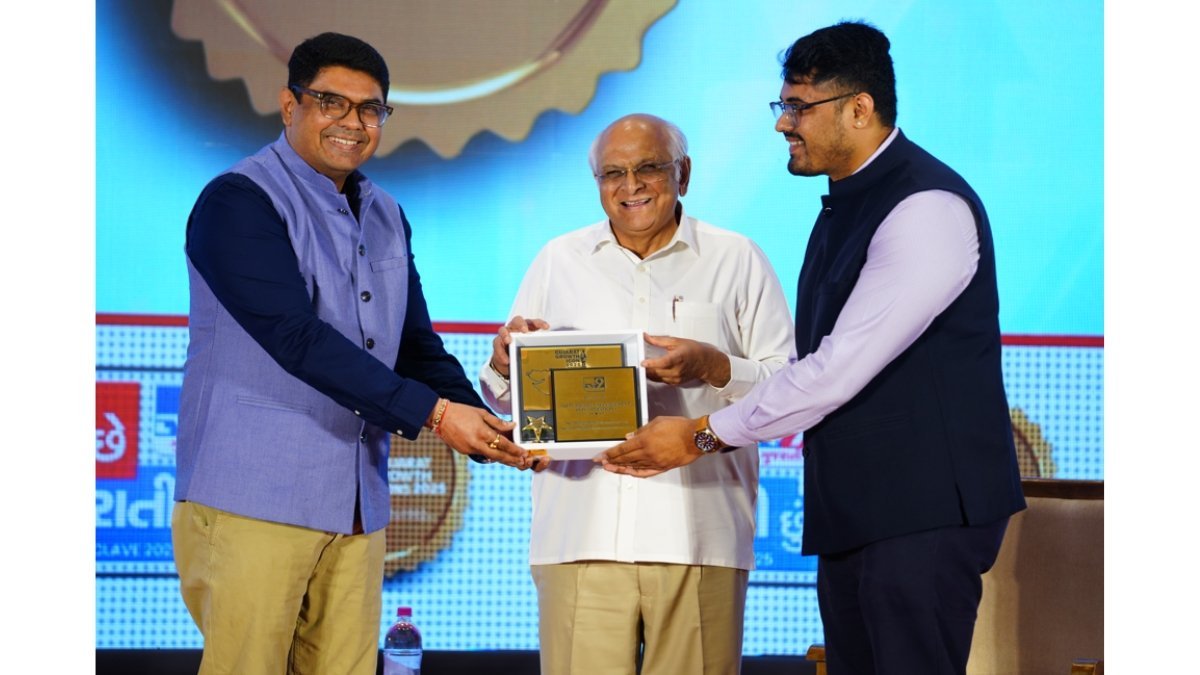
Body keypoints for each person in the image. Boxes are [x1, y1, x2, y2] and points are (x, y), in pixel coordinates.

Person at [601, 22, 1027, 675]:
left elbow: (834, 372)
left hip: (923, 514)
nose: (783, 124)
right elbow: (814, 368)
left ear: (859, 109)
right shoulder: (845, 206)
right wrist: (718, 372)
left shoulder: (926, 207)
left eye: (799, 107)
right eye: (783, 105)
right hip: (860, 513)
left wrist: (700, 435)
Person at [172, 32, 531, 675]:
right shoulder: (238, 201)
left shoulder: (386, 211)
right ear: (290, 105)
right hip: (254, 498)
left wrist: (490, 426)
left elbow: (414, 345)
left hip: (357, 502)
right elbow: (295, 337)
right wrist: (437, 416)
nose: (353, 122)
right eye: (331, 102)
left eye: (370, 109)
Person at [478, 114, 794, 674]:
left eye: (649, 167)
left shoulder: (737, 258)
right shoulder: (558, 260)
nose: (631, 186)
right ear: (597, 182)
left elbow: (788, 392)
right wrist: (506, 362)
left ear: (683, 173)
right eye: (613, 173)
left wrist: (716, 366)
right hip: (581, 535)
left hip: (702, 536)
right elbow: (505, 397)